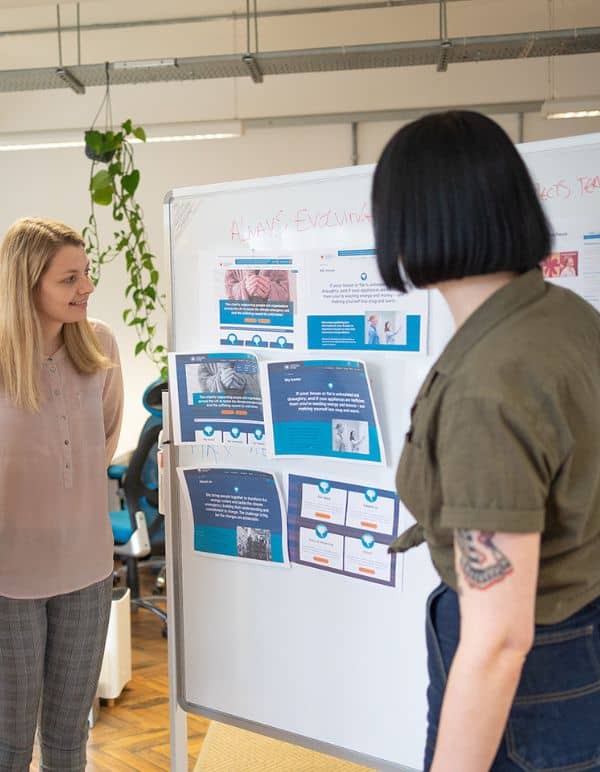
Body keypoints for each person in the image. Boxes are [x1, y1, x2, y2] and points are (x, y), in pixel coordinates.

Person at [371, 111, 600, 771]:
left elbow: (499, 639)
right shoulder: (564, 317)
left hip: (534, 674)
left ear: (414, 222)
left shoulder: (488, 386)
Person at [0, 217, 124, 771]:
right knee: (8, 743)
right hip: (10, 578)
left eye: (87, 273)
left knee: (70, 736)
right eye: (69, 278)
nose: (87, 287)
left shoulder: (99, 345)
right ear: (28, 284)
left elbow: (104, 439)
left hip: (88, 569)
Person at [224, 269, 290, 302]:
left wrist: (271, 289)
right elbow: (229, 289)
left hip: (273, 318)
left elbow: (285, 292)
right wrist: (244, 288)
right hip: (242, 319)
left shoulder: (278, 257)